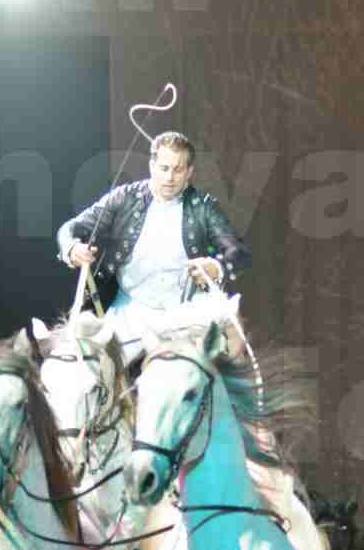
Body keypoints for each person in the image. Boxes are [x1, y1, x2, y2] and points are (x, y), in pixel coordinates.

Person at [57, 130, 252, 370]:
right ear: (152, 166)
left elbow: (238, 251)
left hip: (185, 311)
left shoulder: (204, 206)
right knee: (89, 369)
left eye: (178, 169)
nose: (169, 177)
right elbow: (72, 227)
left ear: (189, 172)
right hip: (130, 311)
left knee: (232, 341)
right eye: (164, 168)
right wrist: (72, 247)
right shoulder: (124, 198)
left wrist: (217, 266)